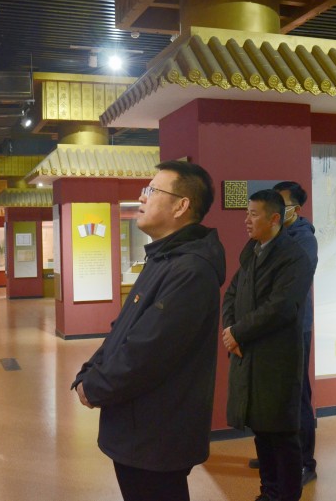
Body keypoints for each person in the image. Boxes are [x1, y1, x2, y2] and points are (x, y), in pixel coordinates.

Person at [71, 160, 226, 501]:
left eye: (152, 190)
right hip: (140, 428)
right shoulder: (164, 259)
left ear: (181, 206)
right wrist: (89, 371)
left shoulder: (190, 270)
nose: (142, 197)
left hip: (157, 433)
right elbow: (124, 330)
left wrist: (95, 386)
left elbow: (148, 351)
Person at [223, 189, 313, 501]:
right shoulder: (253, 251)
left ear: (274, 218)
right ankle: (268, 492)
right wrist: (229, 330)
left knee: (281, 434)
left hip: (276, 359)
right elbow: (232, 293)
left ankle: (285, 495)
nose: (246, 220)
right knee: (261, 430)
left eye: (253, 214)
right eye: (246, 213)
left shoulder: (294, 256)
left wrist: (239, 332)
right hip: (249, 354)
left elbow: (281, 307)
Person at [268, 180, 319, 486]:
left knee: (297, 395)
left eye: (281, 205)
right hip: (272, 326)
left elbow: (289, 279)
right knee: (275, 394)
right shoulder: (272, 234)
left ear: (296, 210)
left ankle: (305, 462)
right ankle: (278, 456)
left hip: (296, 326)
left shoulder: (304, 239)